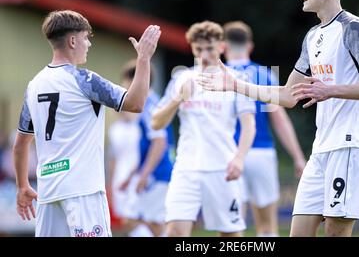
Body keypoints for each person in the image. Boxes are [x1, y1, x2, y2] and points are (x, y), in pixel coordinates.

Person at [197, 0, 359, 237]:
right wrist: (235, 84)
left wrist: (329, 90)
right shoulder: (312, 36)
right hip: (321, 149)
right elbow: (288, 96)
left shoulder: (353, 27)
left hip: (349, 145)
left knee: (335, 233)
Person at [13, 10, 160, 237]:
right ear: (72, 41)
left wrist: (23, 186)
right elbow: (136, 103)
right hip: (83, 190)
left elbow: (21, 144)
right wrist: (144, 59)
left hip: (49, 192)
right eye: (85, 38)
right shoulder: (84, 80)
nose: (89, 44)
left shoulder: (34, 85)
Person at [152, 21, 256, 237]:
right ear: (192, 49)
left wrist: (239, 158)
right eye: (199, 49)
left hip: (222, 168)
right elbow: (156, 123)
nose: (204, 54)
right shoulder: (182, 78)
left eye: (209, 48)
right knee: (174, 233)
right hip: (186, 169)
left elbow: (249, 124)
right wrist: (177, 100)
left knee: (231, 236)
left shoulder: (236, 79)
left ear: (221, 47)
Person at [223, 21, 307, 237]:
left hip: (228, 155)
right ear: (249, 46)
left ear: (223, 46)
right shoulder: (264, 75)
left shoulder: (217, 77)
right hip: (262, 153)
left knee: (233, 226)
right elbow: (279, 119)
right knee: (267, 226)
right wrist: (298, 157)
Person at [119, 60, 174, 237]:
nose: (124, 86)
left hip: (157, 175)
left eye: (126, 82)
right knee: (142, 221)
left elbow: (159, 143)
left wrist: (144, 174)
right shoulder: (148, 104)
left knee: (149, 222)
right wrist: (132, 175)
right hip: (151, 173)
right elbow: (147, 147)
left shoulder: (151, 105)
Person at [107, 63, 145, 237]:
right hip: (121, 176)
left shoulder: (142, 122)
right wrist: (112, 181)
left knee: (142, 218)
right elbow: (113, 157)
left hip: (139, 174)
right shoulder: (115, 129)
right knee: (126, 220)